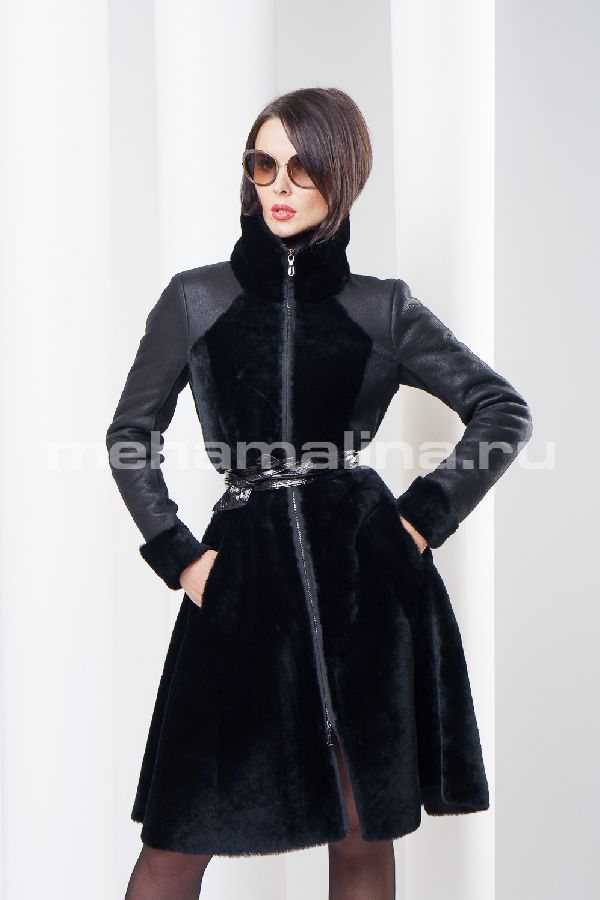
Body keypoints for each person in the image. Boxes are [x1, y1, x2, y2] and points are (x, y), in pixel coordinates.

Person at [107, 87, 533, 900]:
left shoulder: (381, 307)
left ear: (342, 178)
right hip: (239, 580)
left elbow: (501, 410)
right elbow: (130, 434)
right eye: (263, 165)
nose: (279, 186)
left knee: (361, 831)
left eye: (302, 169)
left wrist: (418, 520)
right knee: (174, 842)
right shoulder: (196, 299)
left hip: (362, 583)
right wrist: (181, 556)